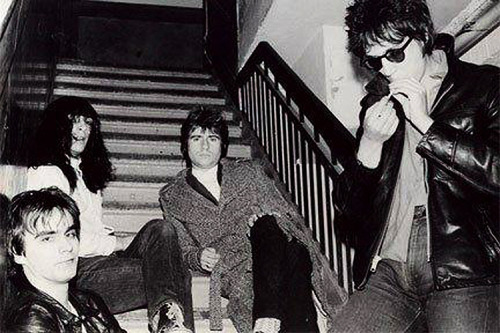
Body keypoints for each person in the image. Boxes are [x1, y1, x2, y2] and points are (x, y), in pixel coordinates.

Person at [332, 0, 499, 331]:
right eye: (374, 60)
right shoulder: (375, 104)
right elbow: (348, 211)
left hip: (463, 265)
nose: (386, 69)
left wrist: (427, 124)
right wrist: (369, 143)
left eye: (394, 54)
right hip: (391, 265)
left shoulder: (484, 85)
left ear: (422, 37)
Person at [159, 107, 347, 333]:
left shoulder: (250, 173)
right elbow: (183, 248)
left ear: (223, 145)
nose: (205, 146)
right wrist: (198, 257)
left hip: (275, 248)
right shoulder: (172, 196)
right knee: (295, 259)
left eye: (213, 138)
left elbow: (287, 214)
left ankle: (266, 316)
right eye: (196, 138)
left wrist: (264, 215)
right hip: (237, 270)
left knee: (272, 228)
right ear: (185, 145)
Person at [26, 96, 194, 333]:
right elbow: (67, 241)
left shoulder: (83, 174)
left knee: (161, 228)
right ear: (57, 127)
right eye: (74, 121)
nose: (83, 128)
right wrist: (119, 242)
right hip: (79, 271)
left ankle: (171, 324)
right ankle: (172, 327)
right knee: (173, 270)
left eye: (88, 123)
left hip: (103, 263)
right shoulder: (48, 174)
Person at [5, 187, 125, 332]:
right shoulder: (29, 321)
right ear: (18, 252)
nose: (67, 246)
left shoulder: (88, 301)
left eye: (70, 234)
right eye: (48, 238)